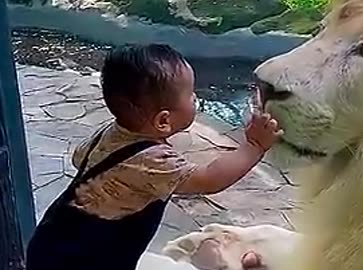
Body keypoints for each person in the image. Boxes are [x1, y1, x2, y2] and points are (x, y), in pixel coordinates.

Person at [25, 44, 282, 270]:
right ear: (163, 121)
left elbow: (78, 158)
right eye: (191, 95)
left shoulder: (110, 131)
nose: (196, 98)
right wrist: (254, 146)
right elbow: (208, 180)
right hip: (84, 260)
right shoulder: (154, 162)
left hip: (51, 241)